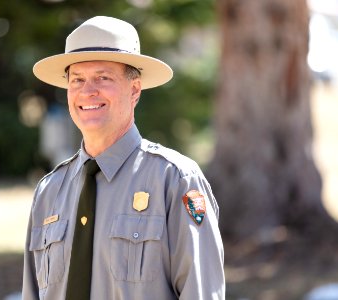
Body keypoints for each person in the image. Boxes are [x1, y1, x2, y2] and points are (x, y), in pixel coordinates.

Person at [22, 16, 225, 300]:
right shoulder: (48, 192)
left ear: (135, 90)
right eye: (77, 79)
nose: (87, 91)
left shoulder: (174, 181)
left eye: (102, 78)